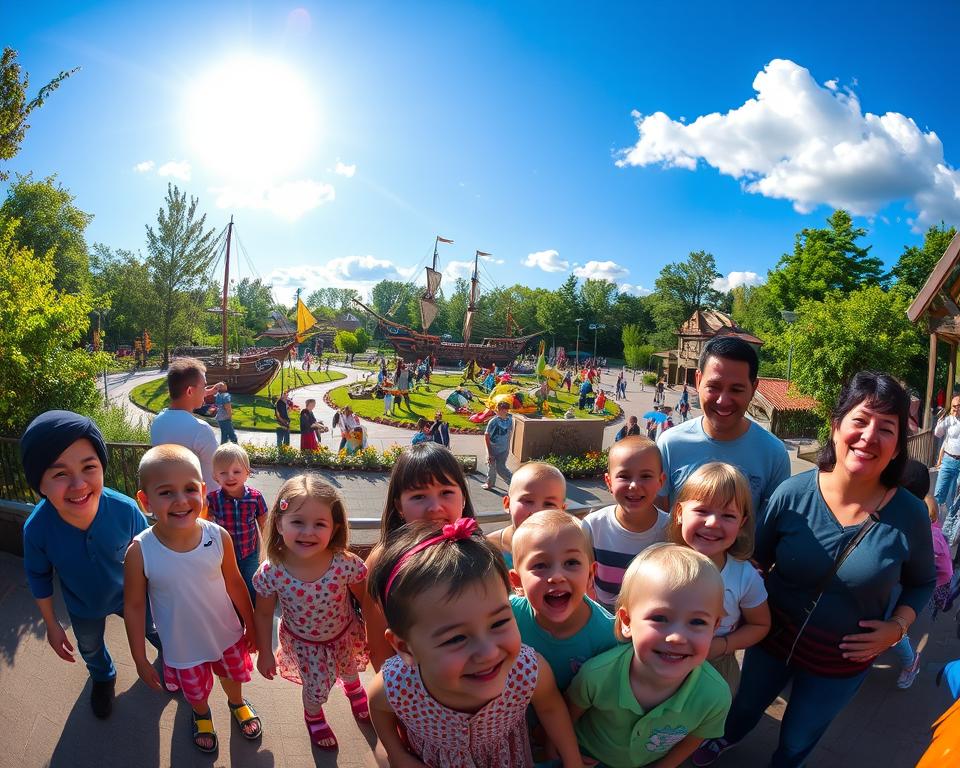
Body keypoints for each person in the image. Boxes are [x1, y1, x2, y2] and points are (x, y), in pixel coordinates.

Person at [692, 371, 936, 768]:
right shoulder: (793, 494)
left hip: (840, 662)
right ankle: (726, 739)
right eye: (860, 420)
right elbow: (755, 559)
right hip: (769, 641)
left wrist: (898, 627)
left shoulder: (909, 515)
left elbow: (923, 581)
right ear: (836, 426)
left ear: (897, 448)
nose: (869, 436)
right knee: (743, 708)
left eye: (886, 428)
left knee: (798, 738)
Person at [366, 519, 583, 768]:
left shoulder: (527, 670)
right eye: (457, 638)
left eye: (499, 623)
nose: (489, 652)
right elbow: (378, 708)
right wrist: (396, 753)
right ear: (405, 648)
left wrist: (572, 760)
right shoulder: (398, 683)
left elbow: (551, 708)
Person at [20, 410, 160, 719]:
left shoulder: (124, 510)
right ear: (39, 483)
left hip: (132, 595)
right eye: (59, 474)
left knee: (153, 627)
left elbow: (150, 553)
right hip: (84, 604)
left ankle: (170, 657)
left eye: (89, 467)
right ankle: (102, 677)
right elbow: (38, 576)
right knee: (90, 646)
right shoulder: (37, 529)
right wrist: (52, 624)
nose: (78, 484)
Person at [125, 445, 260, 753]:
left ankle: (236, 703)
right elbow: (133, 606)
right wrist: (138, 656)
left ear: (201, 491)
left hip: (226, 634)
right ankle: (201, 715)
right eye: (166, 492)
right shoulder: (140, 551)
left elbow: (236, 584)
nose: (181, 500)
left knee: (230, 676)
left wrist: (250, 624)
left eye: (189, 489)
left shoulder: (218, 536)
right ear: (145, 501)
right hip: (182, 644)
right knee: (195, 691)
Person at [567, 544, 731, 768]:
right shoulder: (597, 676)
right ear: (626, 621)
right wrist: (569, 756)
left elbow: (694, 739)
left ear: (715, 627)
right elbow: (566, 719)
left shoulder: (715, 696)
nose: (677, 638)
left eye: (697, 622)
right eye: (660, 618)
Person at [253, 476, 369, 750]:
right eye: (297, 522)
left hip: (344, 633)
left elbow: (367, 601)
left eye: (320, 524)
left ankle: (354, 689)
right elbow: (262, 614)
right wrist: (265, 652)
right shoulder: (273, 571)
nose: (308, 532)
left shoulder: (345, 564)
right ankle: (313, 715)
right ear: (279, 524)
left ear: (335, 527)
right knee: (315, 688)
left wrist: (374, 633)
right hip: (306, 645)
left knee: (350, 666)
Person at [361, 443, 478, 670]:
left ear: (463, 498)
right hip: (413, 686)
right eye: (419, 496)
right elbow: (378, 644)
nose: (434, 507)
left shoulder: (478, 551)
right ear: (399, 506)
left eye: (446, 492)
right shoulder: (384, 560)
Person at [656, 336, 790, 517]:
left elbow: (772, 528)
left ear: (754, 388)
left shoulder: (773, 454)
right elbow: (658, 522)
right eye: (714, 387)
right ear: (698, 380)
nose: (723, 400)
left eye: (736, 390)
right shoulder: (669, 445)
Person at [667, 462, 770, 693]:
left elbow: (760, 624)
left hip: (716, 666)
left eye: (728, 515)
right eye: (702, 511)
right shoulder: (660, 565)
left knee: (708, 726)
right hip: (663, 655)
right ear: (680, 513)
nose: (713, 522)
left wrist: (723, 645)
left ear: (742, 523)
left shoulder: (745, 576)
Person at [509, 510, 616, 692]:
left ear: (591, 574)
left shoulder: (608, 635)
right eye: (540, 565)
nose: (557, 576)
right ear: (517, 581)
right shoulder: (507, 618)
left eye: (571, 562)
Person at [581, 437, 669, 612]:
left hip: (651, 619)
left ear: (661, 481)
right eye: (624, 476)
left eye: (645, 476)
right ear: (609, 482)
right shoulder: (593, 526)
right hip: (603, 616)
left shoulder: (670, 529)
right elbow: (583, 579)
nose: (634, 485)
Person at [889, 458, 953, 690]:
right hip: (916, 583)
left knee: (895, 627)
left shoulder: (926, 535)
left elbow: (936, 572)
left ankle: (910, 662)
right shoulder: (912, 520)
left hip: (932, 587)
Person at [206, 443, 268, 603]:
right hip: (223, 556)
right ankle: (235, 617)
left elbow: (264, 525)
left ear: (247, 473)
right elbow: (204, 525)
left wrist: (267, 553)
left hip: (249, 554)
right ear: (215, 476)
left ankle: (255, 616)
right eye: (223, 473)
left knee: (252, 586)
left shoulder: (255, 497)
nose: (230, 477)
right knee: (229, 589)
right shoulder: (212, 499)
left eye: (236, 471)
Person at [150, 357, 223, 492]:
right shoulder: (201, 429)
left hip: (171, 499)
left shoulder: (158, 422)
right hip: (203, 505)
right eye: (204, 386)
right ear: (190, 391)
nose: (205, 391)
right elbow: (218, 469)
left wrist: (203, 392)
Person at [487, 461, 567, 568]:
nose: (537, 512)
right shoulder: (488, 549)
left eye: (549, 504)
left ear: (562, 511)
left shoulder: (568, 550)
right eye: (528, 501)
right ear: (507, 504)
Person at [934, 395, 960, 527]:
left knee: (956, 497)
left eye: (958, 406)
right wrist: (940, 421)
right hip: (949, 460)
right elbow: (938, 434)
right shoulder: (948, 420)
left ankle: (950, 527)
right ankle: (936, 524)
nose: (956, 409)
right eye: (954, 406)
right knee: (939, 493)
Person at [483, 401, 514, 491]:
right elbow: (487, 436)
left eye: (505, 410)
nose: (503, 412)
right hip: (493, 448)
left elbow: (509, 433)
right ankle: (490, 483)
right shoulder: (493, 421)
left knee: (501, 468)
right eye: (501, 410)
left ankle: (513, 482)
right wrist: (489, 453)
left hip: (503, 449)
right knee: (491, 466)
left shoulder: (509, 420)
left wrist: (508, 447)